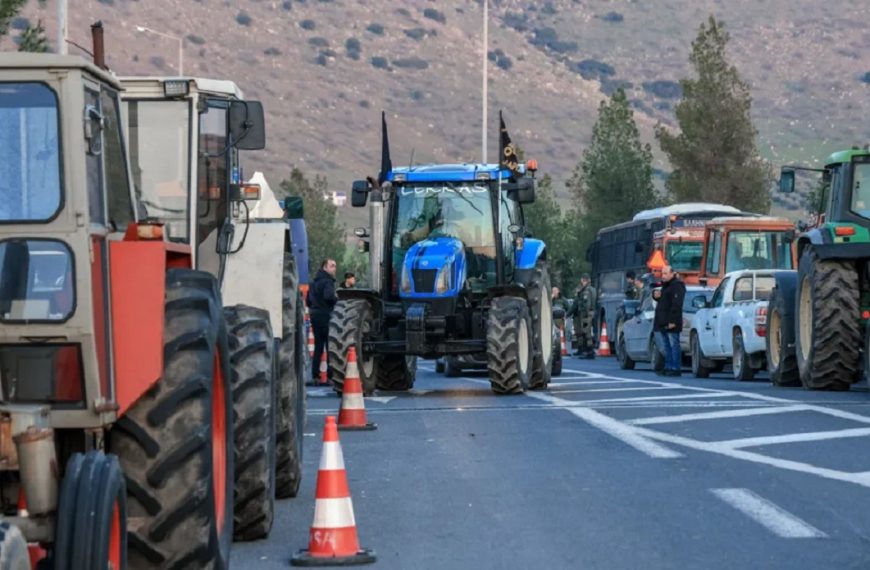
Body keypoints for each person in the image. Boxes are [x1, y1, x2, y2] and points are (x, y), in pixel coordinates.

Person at [653, 265, 686, 376]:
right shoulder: (666, 286)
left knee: (673, 345)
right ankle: (668, 367)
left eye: (666, 273)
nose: (663, 276)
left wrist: (672, 321)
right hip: (663, 321)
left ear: (672, 274)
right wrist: (656, 297)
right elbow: (664, 301)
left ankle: (675, 368)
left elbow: (676, 304)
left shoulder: (677, 286)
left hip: (672, 321)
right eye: (662, 273)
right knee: (666, 346)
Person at [308, 258, 337, 380]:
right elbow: (329, 296)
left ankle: (315, 376)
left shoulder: (313, 283)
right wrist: (337, 300)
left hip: (314, 315)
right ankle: (331, 376)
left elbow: (308, 301)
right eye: (332, 266)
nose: (334, 268)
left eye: (335, 266)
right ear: (324, 267)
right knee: (330, 346)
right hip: (326, 315)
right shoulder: (328, 282)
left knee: (318, 346)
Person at [568, 273, 597, 359]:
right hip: (589, 313)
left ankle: (589, 351)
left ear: (585, 280)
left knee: (586, 332)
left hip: (585, 314)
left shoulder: (586, 291)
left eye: (582, 281)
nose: (582, 282)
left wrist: (585, 314)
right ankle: (587, 351)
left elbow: (586, 304)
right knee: (586, 332)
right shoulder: (592, 289)